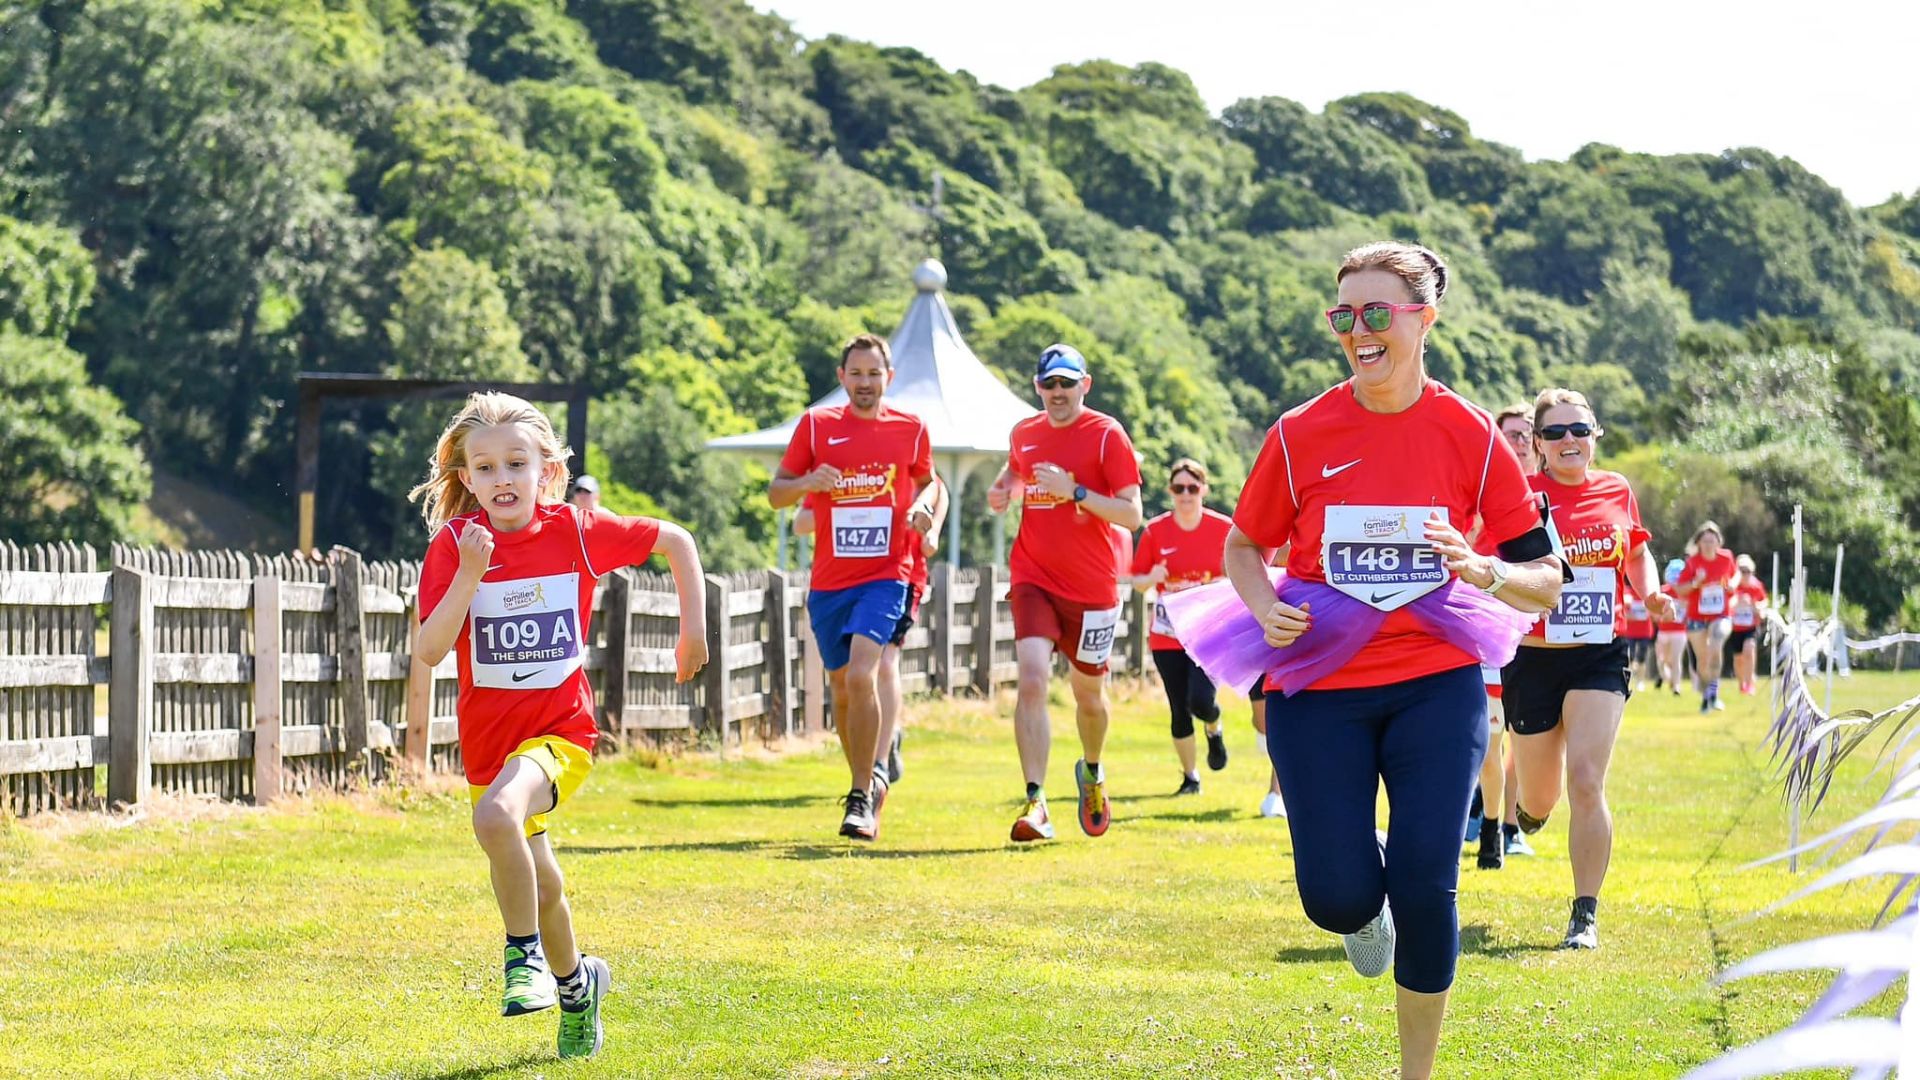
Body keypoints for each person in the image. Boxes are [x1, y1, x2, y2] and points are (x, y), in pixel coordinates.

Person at [1220, 242, 1564, 1079]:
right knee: (1335, 895)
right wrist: (1264, 605)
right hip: (1319, 683)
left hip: (1435, 681)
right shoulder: (1300, 433)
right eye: (1344, 316)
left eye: (1377, 313)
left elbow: (1546, 582)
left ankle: (1416, 1074)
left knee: (1426, 882)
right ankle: (1357, 910)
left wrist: (1480, 567)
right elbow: (1242, 545)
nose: (1358, 331)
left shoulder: (1470, 433)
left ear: (1423, 319)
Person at [412, 392, 708, 1059]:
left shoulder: (574, 530)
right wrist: (470, 575)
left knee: (494, 820)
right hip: (489, 745)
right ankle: (580, 987)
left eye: (517, 463)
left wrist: (693, 632)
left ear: (547, 470)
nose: (502, 479)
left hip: (561, 736)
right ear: (465, 479)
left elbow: (676, 542)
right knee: (541, 882)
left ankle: (524, 960)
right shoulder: (455, 544)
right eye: (484, 468)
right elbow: (429, 650)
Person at [1503, 388, 1674, 951]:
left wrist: (1648, 593)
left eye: (1579, 429)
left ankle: (1585, 913)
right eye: (1554, 433)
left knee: (1586, 780)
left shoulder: (1617, 489)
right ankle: (1527, 813)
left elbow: (1636, 551)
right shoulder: (1521, 495)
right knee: (1540, 797)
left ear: (1595, 435)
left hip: (1599, 653)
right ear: (1539, 444)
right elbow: (1491, 559)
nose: (1568, 440)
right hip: (1532, 659)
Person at [770, 333, 940, 841]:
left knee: (866, 672)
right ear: (842, 377)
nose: (865, 383)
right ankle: (861, 779)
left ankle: (863, 793)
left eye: (874, 373)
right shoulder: (817, 426)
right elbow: (777, 493)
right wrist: (807, 483)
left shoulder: (911, 429)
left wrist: (924, 509)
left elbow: (931, 481)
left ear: (889, 378)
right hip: (830, 583)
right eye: (856, 373)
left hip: (888, 574)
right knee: (842, 688)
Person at [987, 343, 1144, 842]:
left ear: (1085, 385)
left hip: (1092, 586)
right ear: (1037, 387)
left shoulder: (1106, 436)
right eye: (1048, 384)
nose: (1057, 392)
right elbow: (1015, 469)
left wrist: (1074, 492)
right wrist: (1002, 489)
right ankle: (1036, 802)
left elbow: (1131, 514)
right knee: (1031, 680)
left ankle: (1092, 772)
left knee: (1088, 696)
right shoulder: (1024, 432)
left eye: (1066, 383)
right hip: (1033, 575)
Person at [1126, 459, 1278, 805]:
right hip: (1167, 635)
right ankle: (1191, 778)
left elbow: (1245, 569)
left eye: (1192, 488)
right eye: (1178, 488)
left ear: (1203, 491)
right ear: (1170, 492)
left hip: (1207, 634)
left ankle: (1213, 726)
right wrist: (1153, 577)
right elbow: (1136, 581)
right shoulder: (1155, 531)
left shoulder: (1222, 529)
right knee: (1178, 709)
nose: (1185, 495)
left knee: (1201, 701)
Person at [791, 471, 948, 785]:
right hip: (847, 583)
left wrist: (932, 531)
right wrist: (847, 511)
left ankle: (879, 759)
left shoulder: (904, 464)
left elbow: (937, 488)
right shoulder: (839, 474)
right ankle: (876, 752)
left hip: (900, 577)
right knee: (853, 675)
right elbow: (800, 522)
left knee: (885, 664)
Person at [1465, 403, 1537, 869]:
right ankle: (1493, 825)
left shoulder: (1547, 496)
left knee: (1526, 742)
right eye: (1510, 434)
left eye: (1527, 434)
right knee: (1493, 741)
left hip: (1540, 642)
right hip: (1490, 634)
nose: (1519, 442)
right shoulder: (1482, 494)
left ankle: (1510, 821)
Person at [1676, 522, 1740, 713]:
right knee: (1703, 661)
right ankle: (1707, 696)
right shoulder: (1692, 563)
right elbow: (1680, 590)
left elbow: (1735, 575)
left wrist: (1732, 584)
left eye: (1712, 541)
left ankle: (1714, 693)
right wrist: (1696, 582)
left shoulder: (1726, 558)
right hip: (1696, 617)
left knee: (1716, 643)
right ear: (1698, 543)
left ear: (1718, 542)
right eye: (1705, 541)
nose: (1709, 545)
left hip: (1721, 614)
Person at [1728, 554, 1770, 695]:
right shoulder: (1733, 585)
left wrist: (1755, 605)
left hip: (1751, 626)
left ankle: (1750, 682)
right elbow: (1727, 602)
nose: (1745, 574)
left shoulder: (1756, 585)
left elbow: (1764, 601)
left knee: (1749, 649)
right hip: (1735, 627)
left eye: (1748, 571)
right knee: (1738, 658)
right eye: (1742, 570)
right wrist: (1736, 602)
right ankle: (1742, 684)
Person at [1653, 560, 1690, 695]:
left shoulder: (1686, 593)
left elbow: (1691, 610)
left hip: (1680, 631)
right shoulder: (1663, 591)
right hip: (1663, 631)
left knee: (1676, 659)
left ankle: (1676, 687)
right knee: (1662, 660)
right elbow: (1653, 610)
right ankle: (1668, 678)